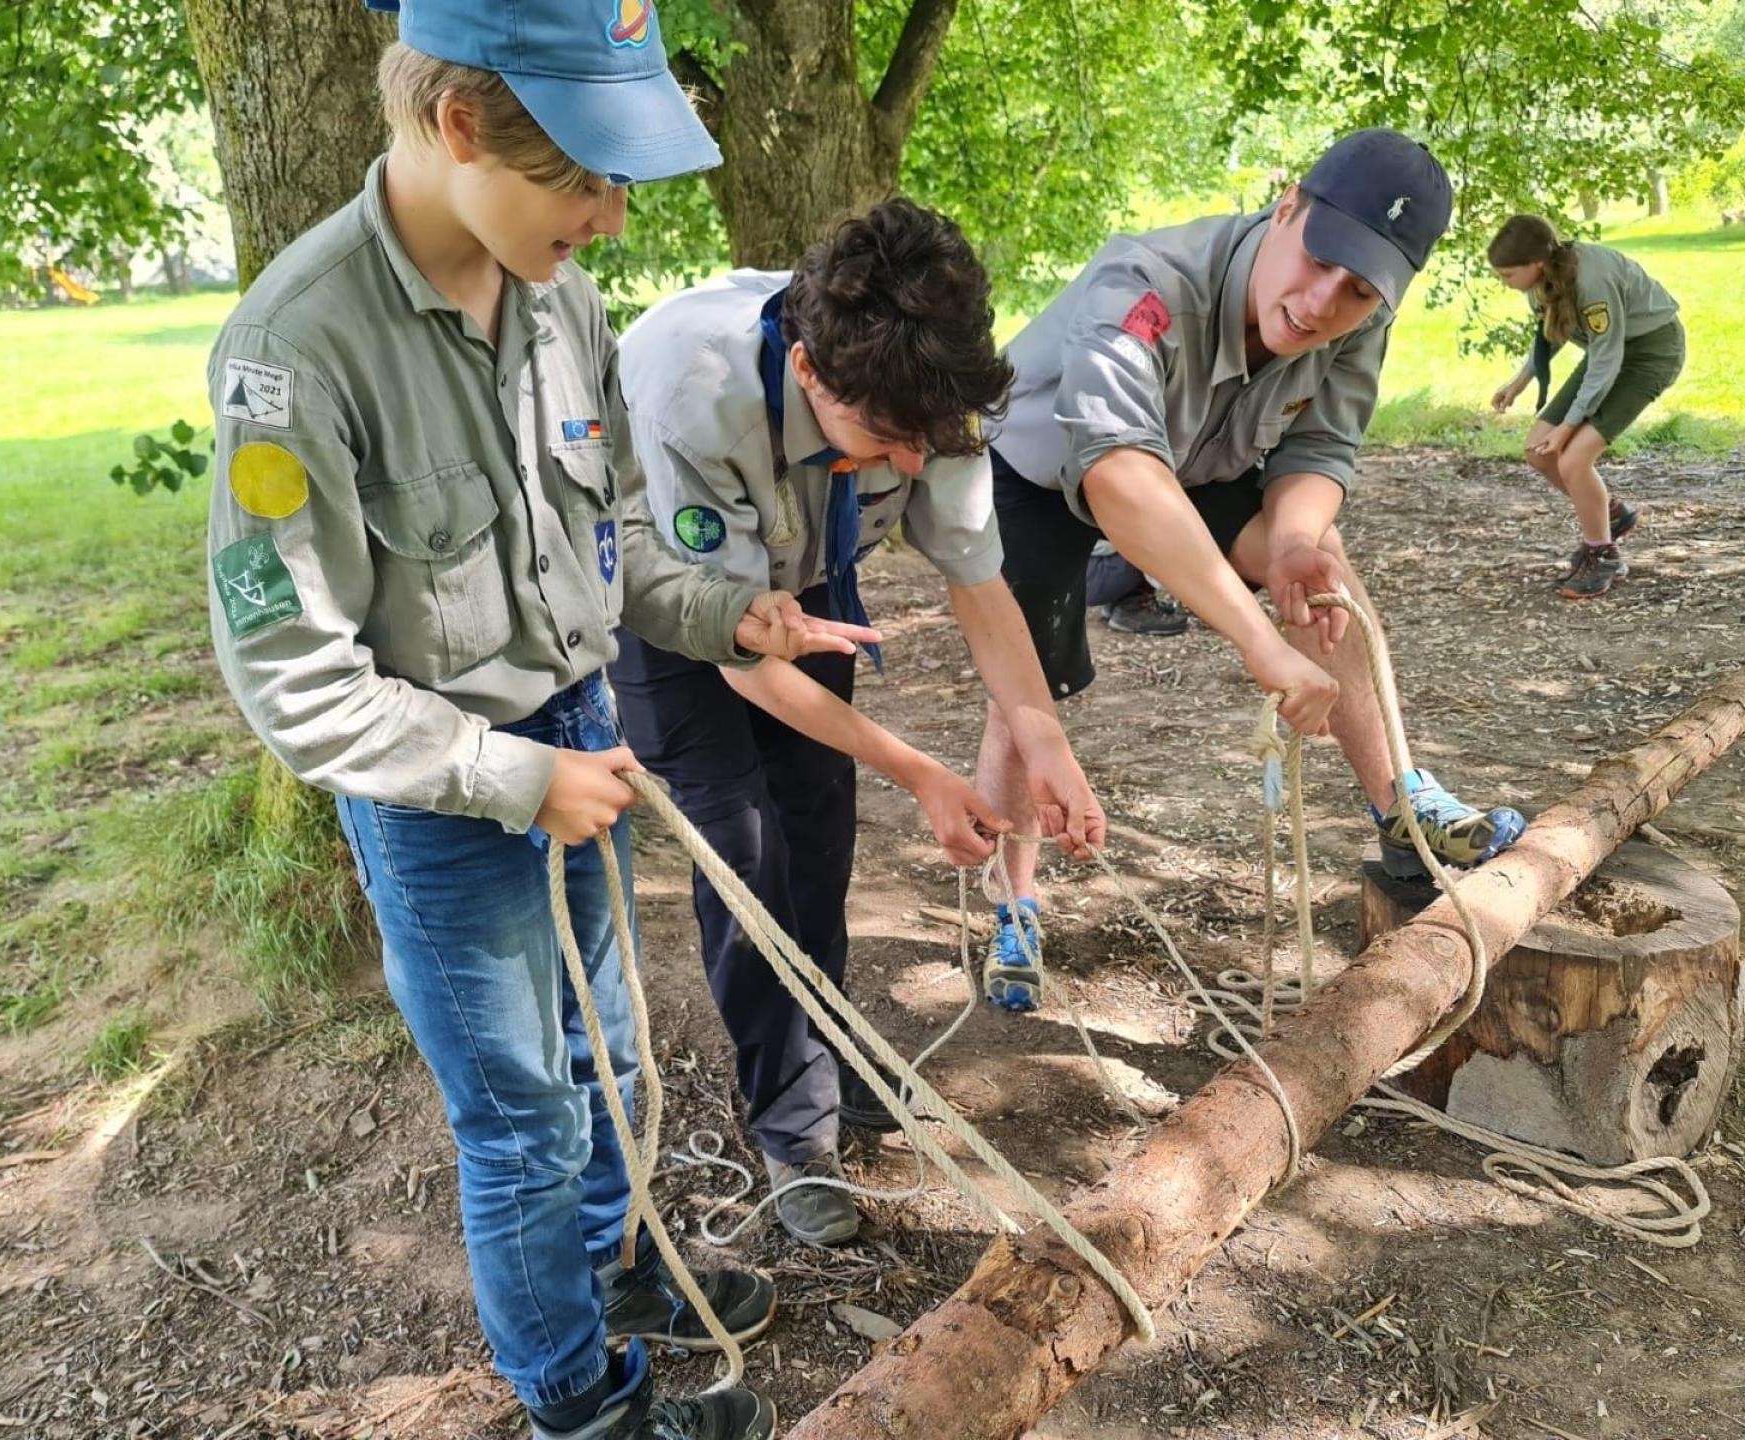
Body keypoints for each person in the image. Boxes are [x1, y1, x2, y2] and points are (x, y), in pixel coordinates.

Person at [202, 3, 866, 1435]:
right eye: (586, 176)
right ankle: (579, 1398)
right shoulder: (296, 350)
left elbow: (615, 523)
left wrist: (723, 614)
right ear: (456, 126)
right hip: (447, 789)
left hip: (580, 731)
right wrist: (514, 777)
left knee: (612, 1059)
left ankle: (611, 1274)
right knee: (520, 1121)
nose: (614, 220)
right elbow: (290, 672)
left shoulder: (558, 287)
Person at [608, 200, 1106, 1246]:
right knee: (746, 852)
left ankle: (822, 1045)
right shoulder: (695, 397)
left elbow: (981, 590)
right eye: (888, 442)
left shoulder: (927, 394)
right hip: (682, 615)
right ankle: (792, 1125)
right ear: (809, 374)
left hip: (807, 589)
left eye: (933, 439)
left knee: (818, 829)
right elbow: (740, 661)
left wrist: (1046, 744)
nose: (918, 467)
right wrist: (921, 770)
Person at [973, 129, 1530, 1010]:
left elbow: (1319, 443)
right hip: (1044, 468)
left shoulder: (1360, 314)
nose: (1320, 305)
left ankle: (1402, 808)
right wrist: (1257, 641)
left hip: (1204, 461)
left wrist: (1298, 540)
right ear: (1286, 208)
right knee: (1029, 686)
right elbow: (1119, 473)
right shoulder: (1145, 284)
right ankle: (1012, 901)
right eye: (1319, 261)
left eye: (1358, 290)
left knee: (1326, 575)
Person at [1487, 214, 1685, 600]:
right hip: (1606, 353)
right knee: (1538, 450)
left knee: (1573, 458)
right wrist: (1519, 381)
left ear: (1536, 264)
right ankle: (1609, 513)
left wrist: (1571, 423)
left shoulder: (1592, 280)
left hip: (1648, 353)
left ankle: (1603, 554)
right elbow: (1554, 332)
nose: (1503, 282)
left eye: (1508, 274)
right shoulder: (1543, 282)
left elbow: (1608, 359)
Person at [1084, 541, 1191, 636]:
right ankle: (1133, 608)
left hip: (1084, 572)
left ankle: (1120, 603)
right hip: (1095, 574)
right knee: (1155, 539)